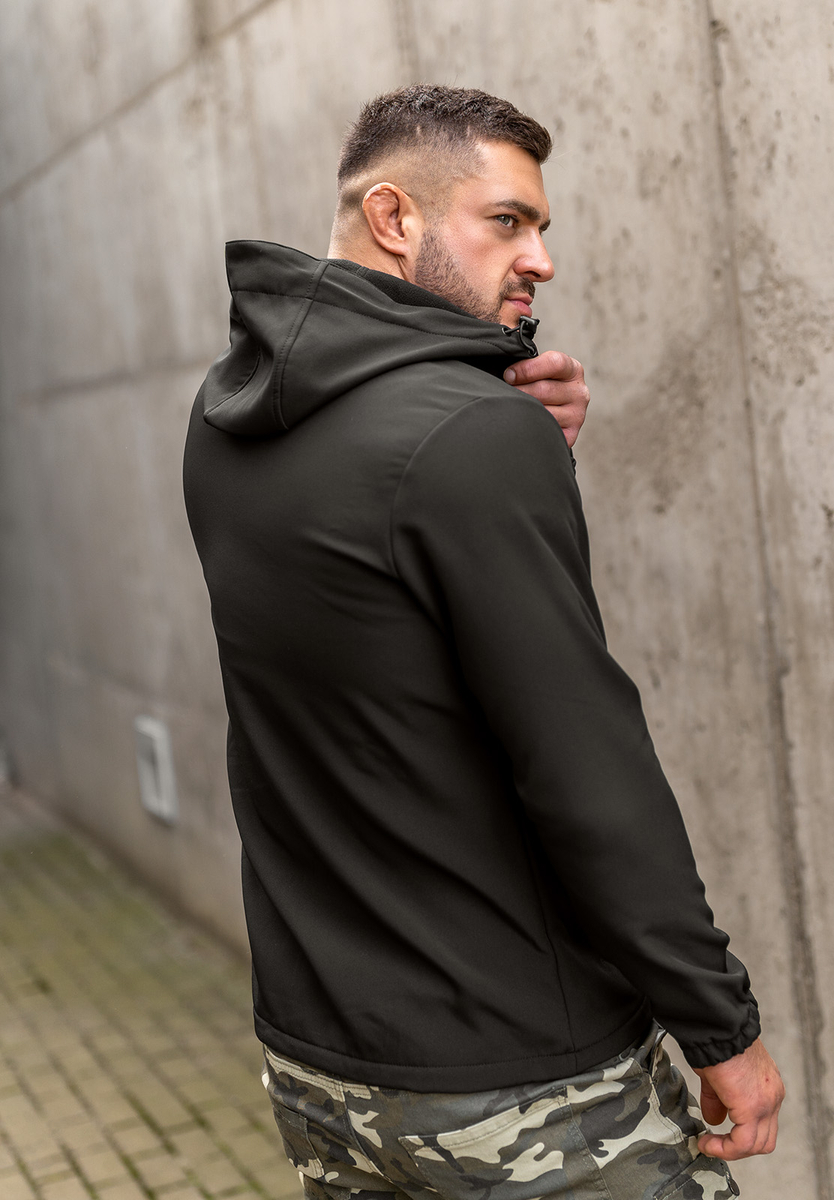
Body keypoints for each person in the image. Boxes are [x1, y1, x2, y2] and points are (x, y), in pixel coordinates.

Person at [183, 85, 784, 1199]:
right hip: (521, 1085)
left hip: (324, 1067)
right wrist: (721, 1025)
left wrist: (518, 440)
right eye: (507, 221)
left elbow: (383, 641)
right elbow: (585, 767)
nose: (540, 258)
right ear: (395, 217)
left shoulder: (229, 419)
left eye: (539, 226)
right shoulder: (470, 437)